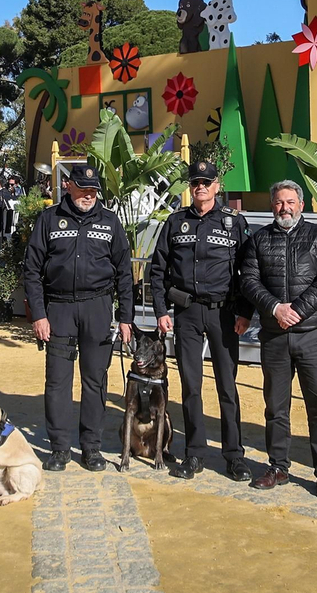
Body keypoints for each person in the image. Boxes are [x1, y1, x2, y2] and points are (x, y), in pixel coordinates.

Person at [23, 164, 135, 472]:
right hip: (58, 309)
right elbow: (31, 270)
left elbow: (125, 273)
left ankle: (91, 447)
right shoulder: (48, 220)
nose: (88, 196)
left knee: (95, 380)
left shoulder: (110, 222)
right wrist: (39, 314)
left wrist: (126, 317)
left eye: (93, 191)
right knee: (58, 381)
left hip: (97, 308)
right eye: (83, 190)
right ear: (69, 186)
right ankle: (59, 448)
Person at [148, 159, 250, 482]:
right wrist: (161, 310)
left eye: (206, 182)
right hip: (186, 313)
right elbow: (157, 270)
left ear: (217, 186)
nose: (200, 187)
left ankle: (234, 455)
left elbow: (249, 272)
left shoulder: (234, 223)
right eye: (195, 183)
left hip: (223, 313)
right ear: (190, 187)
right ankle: (195, 454)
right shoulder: (176, 223)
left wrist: (245, 311)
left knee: (227, 386)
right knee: (191, 385)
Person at [238, 180, 317, 498]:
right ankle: (278, 466)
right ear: (273, 206)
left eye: (290, 202)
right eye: (279, 202)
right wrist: (274, 308)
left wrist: (296, 310)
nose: (285, 207)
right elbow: (249, 281)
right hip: (274, 337)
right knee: (275, 407)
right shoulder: (259, 240)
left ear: (302, 203)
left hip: (312, 335)